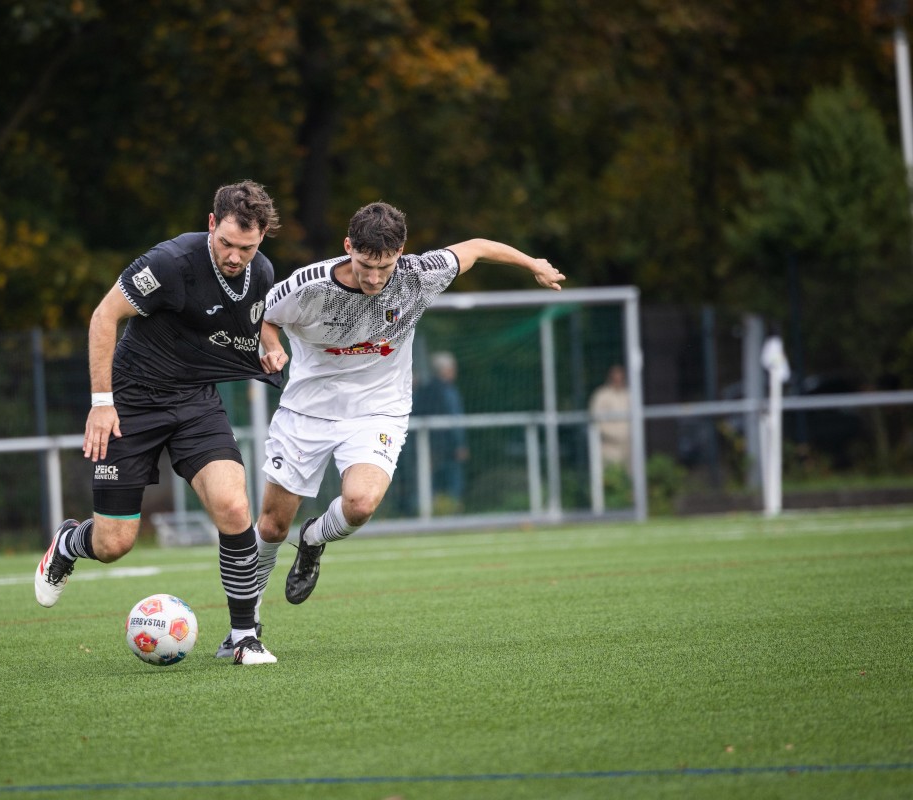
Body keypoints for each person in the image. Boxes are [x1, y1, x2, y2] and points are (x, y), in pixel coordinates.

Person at [255, 201, 565, 608]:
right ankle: (247, 621)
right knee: (274, 526)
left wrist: (533, 264)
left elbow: (477, 247)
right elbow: (261, 316)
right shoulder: (310, 286)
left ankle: (313, 539)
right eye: (366, 264)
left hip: (379, 408)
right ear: (348, 246)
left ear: (400, 253)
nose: (375, 277)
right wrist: (273, 347)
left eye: (384, 267)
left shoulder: (419, 275)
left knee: (360, 504)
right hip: (307, 409)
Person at [33, 180, 284, 665]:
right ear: (212, 224)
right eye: (227, 243)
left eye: (246, 248)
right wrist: (102, 402)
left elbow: (253, 323)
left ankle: (242, 637)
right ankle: (69, 541)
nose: (235, 257)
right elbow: (103, 317)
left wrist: (269, 346)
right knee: (114, 544)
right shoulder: (169, 263)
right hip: (132, 402)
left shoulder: (262, 273)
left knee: (234, 508)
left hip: (195, 401)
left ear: (263, 238)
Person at [413, 351, 469, 511]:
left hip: (428, 447)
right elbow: (455, 420)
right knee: (452, 484)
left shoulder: (423, 390)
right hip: (448, 448)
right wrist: (460, 444)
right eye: (452, 368)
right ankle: (452, 513)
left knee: (429, 484)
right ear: (445, 370)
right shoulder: (449, 392)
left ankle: (428, 513)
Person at [589, 364, 631, 471]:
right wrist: (615, 435)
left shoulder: (628, 395)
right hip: (609, 447)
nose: (618, 380)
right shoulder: (601, 395)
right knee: (610, 476)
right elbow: (597, 420)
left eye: (620, 377)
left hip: (628, 446)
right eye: (615, 377)